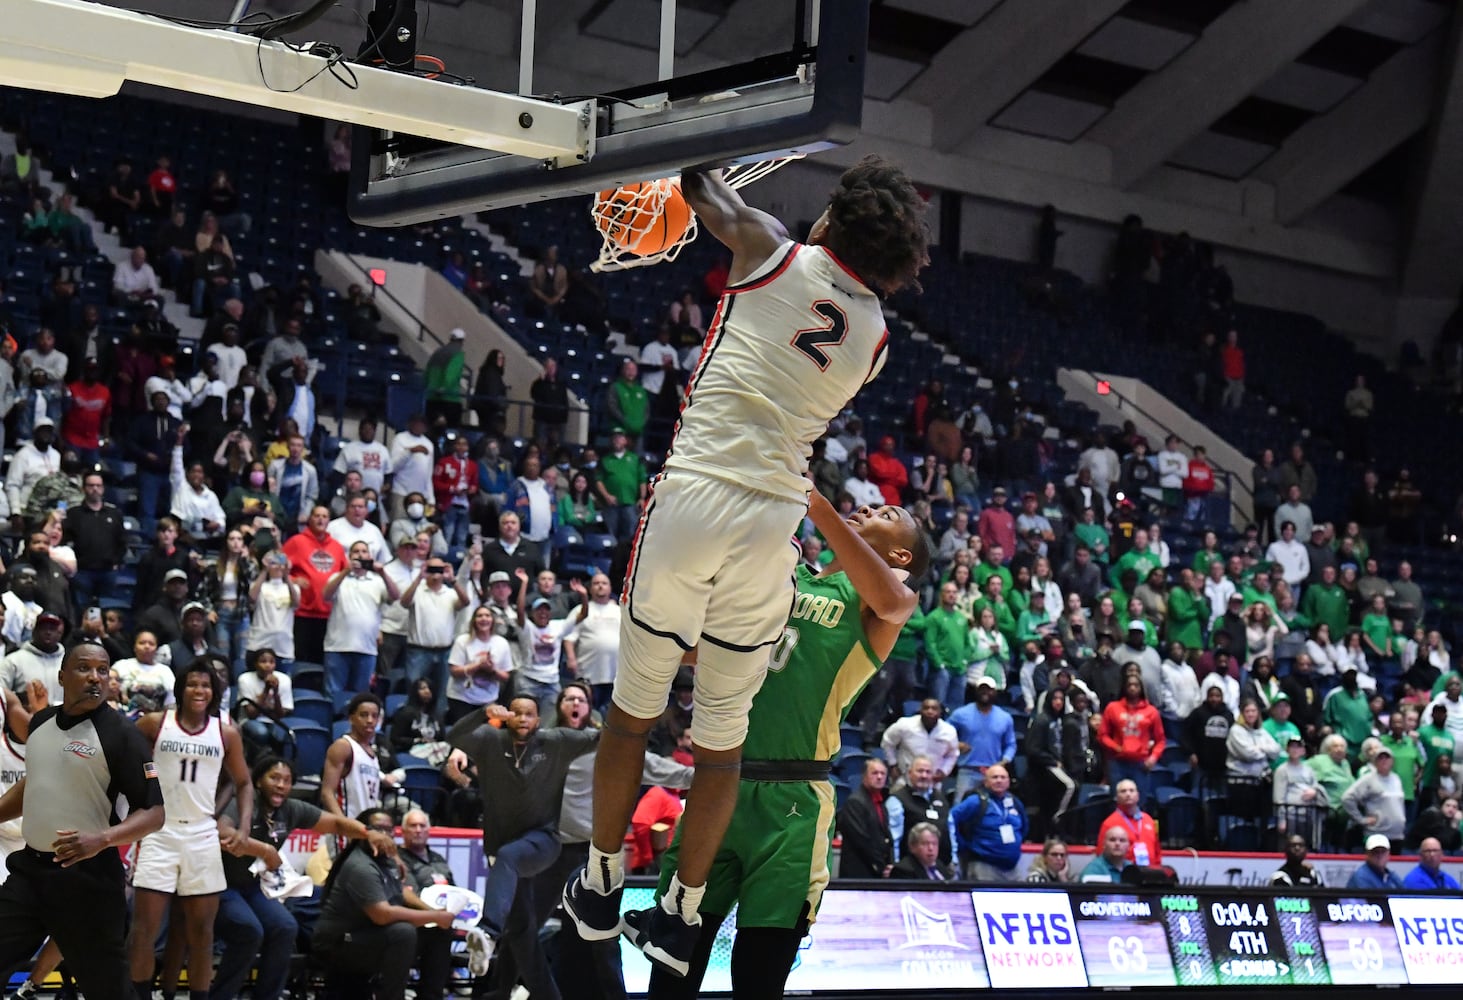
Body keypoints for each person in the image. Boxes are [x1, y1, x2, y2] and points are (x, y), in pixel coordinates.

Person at [565, 157, 929, 974]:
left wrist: (696, 147)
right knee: (720, 744)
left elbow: (699, 191)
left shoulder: (773, 246)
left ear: (833, 221)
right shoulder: (874, 339)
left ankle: (598, 883)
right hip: (775, 523)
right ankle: (679, 916)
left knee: (633, 711)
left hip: (697, 493)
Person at [638, 490, 922, 997]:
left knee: (758, 977)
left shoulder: (885, 596)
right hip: (719, 784)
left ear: (900, 555)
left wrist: (817, 506)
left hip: (793, 798)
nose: (868, 509)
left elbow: (896, 602)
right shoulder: (787, 576)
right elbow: (707, 645)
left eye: (886, 515)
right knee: (672, 970)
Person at [0, 643, 163, 1000]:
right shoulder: (41, 723)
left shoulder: (122, 735)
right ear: (62, 676)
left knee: (108, 991)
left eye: (102, 670)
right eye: (84, 668)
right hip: (30, 873)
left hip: (87, 881)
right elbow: (36, 782)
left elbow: (153, 812)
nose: (94, 677)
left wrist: (103, 839)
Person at [447, 698, 599, 1000]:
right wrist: (481, 713)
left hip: (543, 841)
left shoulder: (557, 742)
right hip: (502, 845)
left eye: (529, 714)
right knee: (521, 931)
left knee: (510, 858)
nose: (523, 718)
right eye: (517, 712)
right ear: (507, 716)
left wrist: (602, 720)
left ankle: (488, 932)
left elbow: (604, 736)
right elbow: (455, 736)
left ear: (539, 719)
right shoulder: (491, 740)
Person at [213, 755, 394, 1000]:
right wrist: (264, 850)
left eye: (287, 781)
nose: (281, 785)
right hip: (222, 884)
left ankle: (267, 996)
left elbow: (337, 824)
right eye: (274, 778)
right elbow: (224, 833)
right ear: (258, 782)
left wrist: (367, 832)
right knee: (250, 930)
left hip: (253, 888)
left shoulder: (292, 809)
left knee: (286, 927)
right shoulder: (245, 802)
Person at [128, 661, 253, 1000]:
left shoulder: (225, 732)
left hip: (201, 835)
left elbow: (243, 783)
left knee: (202, 933)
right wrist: (142, 788)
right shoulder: (155, 724)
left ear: (214, 692)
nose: (200, 691)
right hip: (159, 833)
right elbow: (124, 757)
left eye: (206, 686)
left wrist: (242, 828)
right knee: (144, 931)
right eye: (193, 684)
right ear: (181, 689)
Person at [312, 807, 463, 1000]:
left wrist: (433, 913)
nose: (384, 835)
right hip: (339, 943)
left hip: (367, 933)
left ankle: (431, 996)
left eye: (388, 830)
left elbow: (402, 892)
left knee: (437, 931)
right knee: (403, 932)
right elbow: (382, 914)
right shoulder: (360, 865)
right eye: (377, 829)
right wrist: (434, 916)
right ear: (362, 831)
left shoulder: (386, 858)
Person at [321, 541, 400, 697]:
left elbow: (395, 596)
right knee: (333, 695)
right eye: (356, 551)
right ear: (350, 556)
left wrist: (383, 573)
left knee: (360, 697)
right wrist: (345, 571)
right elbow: (326, 595)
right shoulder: (338, 577)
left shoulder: (377, 581)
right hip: (338, 647)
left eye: (364, 551)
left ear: (369, 556)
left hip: (367, 648)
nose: (360, 554)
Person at [320, 694, 392, 836]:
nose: (370, 720)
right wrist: (344, 824)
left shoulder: (373, 754)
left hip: (367, 829)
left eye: (374, 716)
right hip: (346, 828)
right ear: (351, 718)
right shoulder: (343, 746)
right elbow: (327, 792)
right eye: (364, 715)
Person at [951, 763, 1027, 881]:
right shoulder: (975, 801)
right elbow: (951, 818)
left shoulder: (1015, 802)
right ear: (986, 782)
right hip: (984, 866)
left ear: (1008, 782)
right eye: (994, 777)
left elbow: (1024, 827)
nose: (999, 781)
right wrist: (962, 845)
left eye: (1003, 777)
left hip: (1012, 867)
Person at [835, 758, 893, 880]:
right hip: (859, 872)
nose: (879, 777)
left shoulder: (881, 802)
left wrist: (889, 865)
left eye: (883, 773)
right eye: (874, 773)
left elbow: (886, 837)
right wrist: (880, 866)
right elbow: (862, 840)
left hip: (875, 870)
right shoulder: (855, 802)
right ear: (864, 776)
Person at [880, 698, 959, 784]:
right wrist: (892, 764)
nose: (930, 711)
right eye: (926, 708)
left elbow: (953, 754)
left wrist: (944, 771)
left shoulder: (949, 731)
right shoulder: (905, 724)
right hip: (904, 780)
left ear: (940, 712)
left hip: (932, 782)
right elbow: (887, 742)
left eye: (934, 708)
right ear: (920, 710)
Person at [1342, 744, 1406, 846]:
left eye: (1387, 757)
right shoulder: (1368, 779)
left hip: (1397, 834)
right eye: (1380, 758)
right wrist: (1361, 820)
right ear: (1375, 762)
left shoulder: (1396, 779)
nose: (1384, 760)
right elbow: (1347, 798)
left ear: (1392, 761)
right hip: (1377, 834)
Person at [1096, 778, 1162, 867]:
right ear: (1117, 797)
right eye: (1123, 791)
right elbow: (1101, 854)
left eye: (1131, 791)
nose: (1128, 794)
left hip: (1150, 873)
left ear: (1138, 795)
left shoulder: (1148, 820)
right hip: (1124, 875)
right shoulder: (1109, 823)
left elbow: (1157, 850)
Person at [890, 823, 956, 881]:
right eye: (925, 843)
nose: (931, 848)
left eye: (934, 843)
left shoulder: (940, 865)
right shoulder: (903, 870)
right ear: (912, 846)